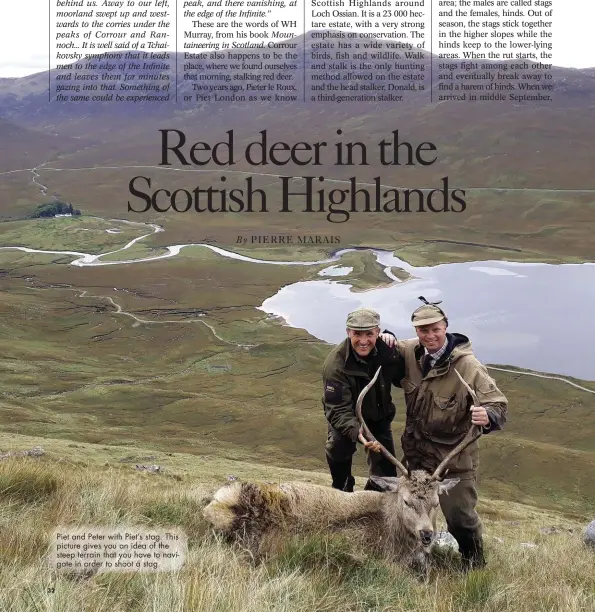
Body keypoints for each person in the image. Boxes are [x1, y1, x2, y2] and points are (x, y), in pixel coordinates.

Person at [380, 296, 508, 570]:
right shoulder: (412, 352)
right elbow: (390, 347)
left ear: (446, 327)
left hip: (453, 463)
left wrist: (488, 416)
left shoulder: (468, 367)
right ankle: (416, 559)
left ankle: (474, 565)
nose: (430, 335)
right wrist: (387, 337)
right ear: (416, 332)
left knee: (460, 518)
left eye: (435, 329)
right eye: (423, 330)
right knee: (413, 512)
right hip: (416, 459)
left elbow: (498, 405)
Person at [322, 307, 406, 492]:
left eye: (369, 334)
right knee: (338, 449)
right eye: (357, 334)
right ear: (348, 332)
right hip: (347, 421)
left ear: (378, 332)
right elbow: (337, 409)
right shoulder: (335, 365)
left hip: (378, 418)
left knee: (386, 477)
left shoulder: (386, 350)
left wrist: (392, 343)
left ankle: (372, 499)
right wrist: (359, 434)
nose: (363, 341)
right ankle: (342, 490)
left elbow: (401, 377)